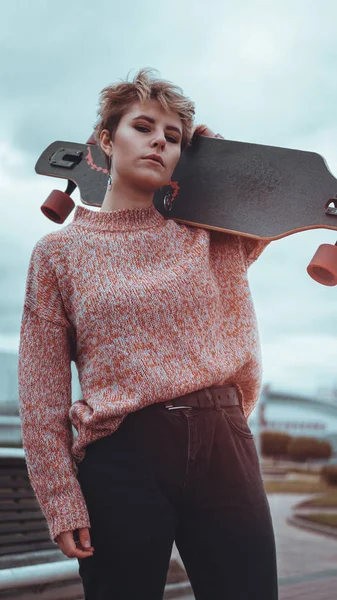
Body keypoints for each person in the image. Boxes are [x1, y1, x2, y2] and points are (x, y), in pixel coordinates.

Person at [18, 67, 278, 599]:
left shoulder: (213, 234)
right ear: (106, 143)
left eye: (174, 136)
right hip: (122, 454)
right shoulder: (58, 256)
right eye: (143, 126)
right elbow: (40, 393)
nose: (160, 139)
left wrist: (216, 157)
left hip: (224, 442)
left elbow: (263, 200)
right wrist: (59, 496)